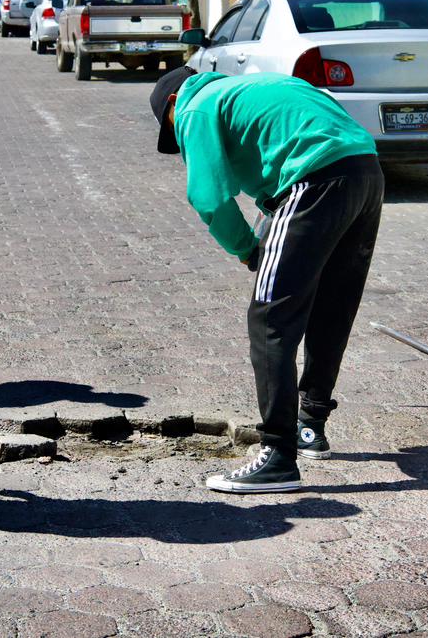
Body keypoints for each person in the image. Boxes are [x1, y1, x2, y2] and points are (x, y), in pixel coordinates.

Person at [149, 67, 384, 494]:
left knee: (270, 317)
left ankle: (277, 454)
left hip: (313, 181)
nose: (179, 139)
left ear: (171, 105)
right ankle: (310, 425)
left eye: (171, 130)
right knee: (331, 305)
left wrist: (248, 249)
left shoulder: (194, 107)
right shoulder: (258, 86)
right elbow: (279, 150)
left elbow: (208, 195)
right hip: (365, 172)